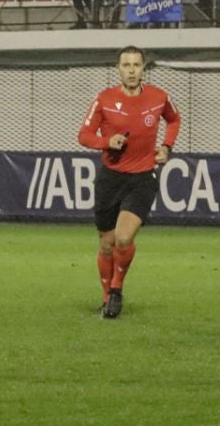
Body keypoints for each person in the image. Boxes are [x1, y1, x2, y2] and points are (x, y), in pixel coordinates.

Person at [77, 46, 182, 318]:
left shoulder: (159, 97)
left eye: (136, 65)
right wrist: (106, 141)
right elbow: (84, 135)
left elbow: (174, 119)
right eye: (126, 65)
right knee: (107, 243)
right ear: (119, 69)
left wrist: (167, 146)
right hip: (110, 179)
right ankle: (106, 298)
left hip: (142, 178)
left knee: (123, 238)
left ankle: (116, 290)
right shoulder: (104, 99)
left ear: (143, 68)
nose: (132, 70)